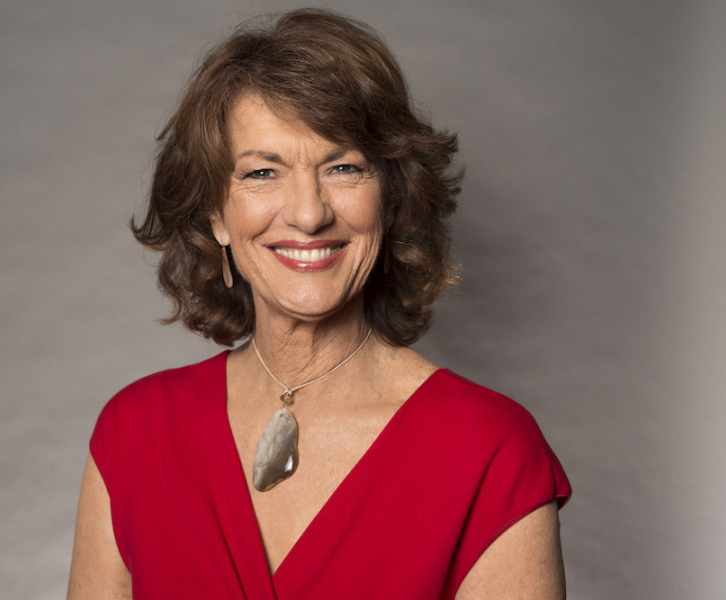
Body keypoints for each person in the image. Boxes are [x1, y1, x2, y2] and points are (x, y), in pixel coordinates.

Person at [67, 8, 571, 599]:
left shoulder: (490, 452)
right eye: (262, 173)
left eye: (343, 167)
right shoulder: (134, 436)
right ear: (216, 216)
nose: (309, 214)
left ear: (390, 201)